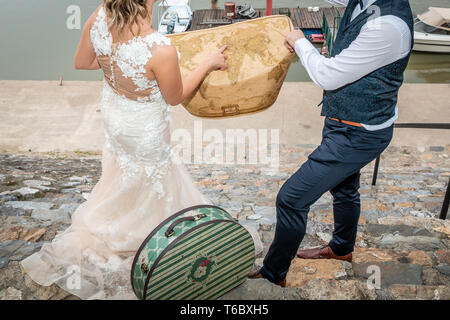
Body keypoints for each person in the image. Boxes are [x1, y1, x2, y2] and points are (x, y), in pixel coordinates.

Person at [21, 0, 234, 300]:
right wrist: (208, 62)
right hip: (144, 128)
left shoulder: (99, 17)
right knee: (156, 175)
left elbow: (82, 62)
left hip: (116, 117)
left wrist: (115, 63)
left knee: (125, 169)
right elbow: (176, 97)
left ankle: (121, 222)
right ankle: (150, 237)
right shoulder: (160, 48)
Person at [249, 0, 413, 287]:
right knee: (346, 189)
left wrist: (300, 42)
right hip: (346, 121)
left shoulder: (387, 26)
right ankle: (341, 249)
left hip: (359, 134)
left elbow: (329, 76)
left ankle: (273, 274)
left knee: (291, 198)